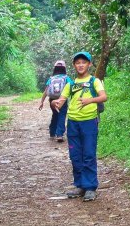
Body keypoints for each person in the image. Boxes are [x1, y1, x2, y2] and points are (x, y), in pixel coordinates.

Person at [51, 51, 107, 201]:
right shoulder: (70, 84)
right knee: (75, 155)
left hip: (89, 122)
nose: (81, 65)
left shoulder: (95, 81)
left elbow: (104, 97)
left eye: (84, 62)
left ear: (89, 64)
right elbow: (61, 101)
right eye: (78, 63)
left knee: (88, 154)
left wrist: (90, 101)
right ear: (74, 65)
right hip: (73, 123)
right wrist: (54, 103)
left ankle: (90, 187)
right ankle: (80, 185)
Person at [38, 60, 69, 141]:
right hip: (62, 99)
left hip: (52, 100)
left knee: (55, 115)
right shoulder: (66, 78)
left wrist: (42, 102)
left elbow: (46, 91)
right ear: (64, 68)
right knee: (62, 115)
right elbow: (72, 88)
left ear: (55, 69)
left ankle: (52, 133)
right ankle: (59, 134)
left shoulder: (51, 78)